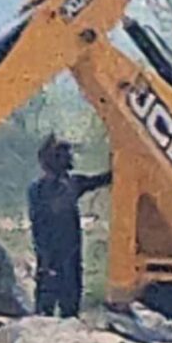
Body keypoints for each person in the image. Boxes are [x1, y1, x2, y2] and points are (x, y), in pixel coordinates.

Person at [27, 135, 110, 316]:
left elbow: (102, 179)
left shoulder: (67, 184)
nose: (69, 158)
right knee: (53, 295)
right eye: (64, 155)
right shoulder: (50, 187)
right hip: (53, 250)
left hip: (63, 250)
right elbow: (38, 222)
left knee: (65, 295)